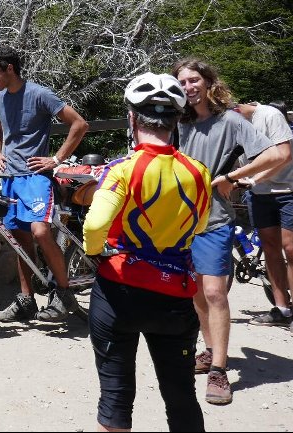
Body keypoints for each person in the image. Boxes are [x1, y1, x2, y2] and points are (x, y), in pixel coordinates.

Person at [84, 73, 212, 432]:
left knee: (115, 396)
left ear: (132, 119)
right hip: (175, 297)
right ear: (175, 121)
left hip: (119, 292)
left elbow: (94, 226)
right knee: (181, 396)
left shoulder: (122, 169)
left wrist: (95, 252)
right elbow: (198, 226)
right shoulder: (198, 173)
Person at [171, 58, 291, 405]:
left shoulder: (232, 122)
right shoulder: (176, 123)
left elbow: (279, 153)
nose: (188, 88)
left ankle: (219, 371)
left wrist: (234, 178)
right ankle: (210, 350)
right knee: (195, 292)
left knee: (213, 293)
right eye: (182, 82)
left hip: (214, 220)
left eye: (194, 80)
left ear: (208, 83)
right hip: (179, 224)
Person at [0, 45, 90, 323]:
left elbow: (79, 124)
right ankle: (26, 301)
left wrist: (56, 159)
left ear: (10, 69)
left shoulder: (40, 94)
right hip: (11, 179)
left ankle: (64, 296)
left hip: (36, 178)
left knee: (41, 232)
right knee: (19, 239)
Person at [233, 101, 293, 339]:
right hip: (259, 195)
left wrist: (254, 179)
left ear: (234, 106)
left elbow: (285, 155)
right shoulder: (230, 125)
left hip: (290, 191)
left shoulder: (269, 115)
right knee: (270, 248)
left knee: (292, 247)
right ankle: (281, 308)